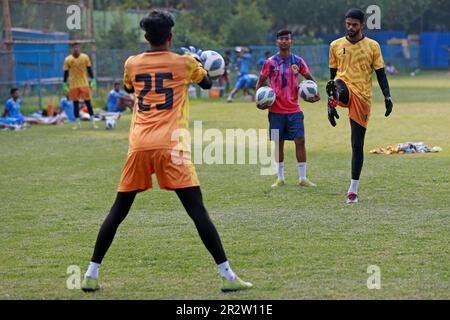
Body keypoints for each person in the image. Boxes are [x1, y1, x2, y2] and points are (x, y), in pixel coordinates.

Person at [81, 10, 252, 293]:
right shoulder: (184, 63)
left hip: (139, 145)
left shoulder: (132, 63)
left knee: (118, 210)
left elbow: (128, 86)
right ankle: (228, 277)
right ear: (170, 36)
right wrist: (197, 62)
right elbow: (208, 82)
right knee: (198, 212)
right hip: (171, 145)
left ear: (146, 36)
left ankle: (90, 274)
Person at [326, 8, 393, 204]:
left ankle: (353, 189)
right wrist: (331, 102)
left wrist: (387, 96)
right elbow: (332, 77)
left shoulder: (373, 46)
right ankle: (335, 101)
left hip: (363, 97)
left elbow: (381, 74)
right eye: (348, 24)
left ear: (362, 25)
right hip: (343, 87)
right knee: (337, 84)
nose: (350, 27)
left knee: (357, 144)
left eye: (354, 24)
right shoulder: (335, 45)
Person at [256, 30, 320, 188]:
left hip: (294, 111)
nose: (284, 41)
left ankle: (303, 178)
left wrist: (316, 94)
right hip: (276, 112)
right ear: (277, 42)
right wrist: (259, 100)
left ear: (291, 42)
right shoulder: (270, 62)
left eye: (287, 39)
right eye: (281, 39)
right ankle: (280, 178)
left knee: (300, 141)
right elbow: (261, 82)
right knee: (279, 143)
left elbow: (310, 79)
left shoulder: (298, 61)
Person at [63, 42, 98, 129]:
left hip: (84, 84)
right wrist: (64, 83)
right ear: (72, 49)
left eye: (77, 47)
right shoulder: (68, 59)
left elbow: (89, 69)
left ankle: (93, 122)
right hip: (73, 85)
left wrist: (92, 79)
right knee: (75, 104)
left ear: (79, 48)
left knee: (88, 103)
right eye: (74, 47)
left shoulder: (85, 57)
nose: (76, 49)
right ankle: (78, 124)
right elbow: (66, 72)